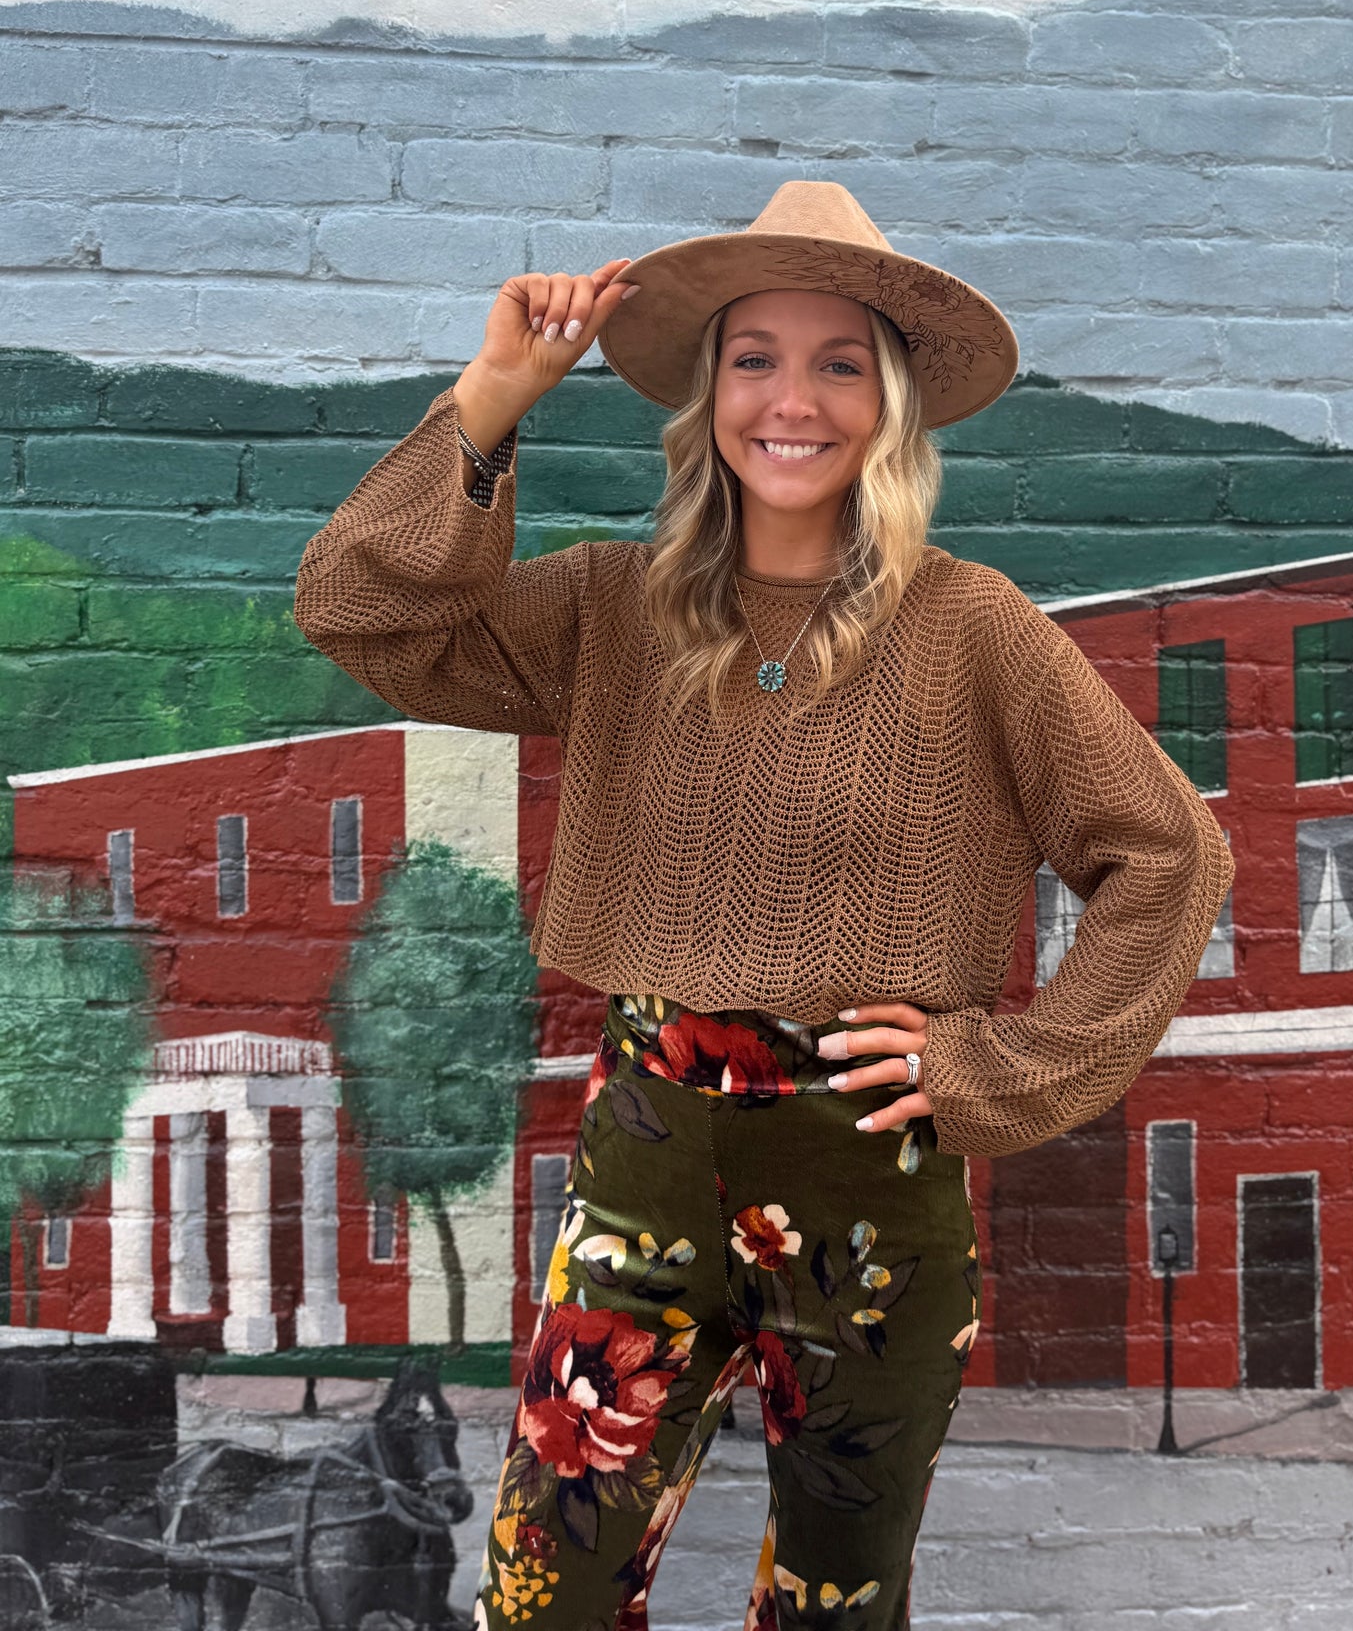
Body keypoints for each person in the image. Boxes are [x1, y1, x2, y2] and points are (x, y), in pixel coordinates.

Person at [293, 180, 1233, 1631]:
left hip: (873, 1184)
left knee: (833, 1611)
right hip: (646, 1159)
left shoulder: (975, 630)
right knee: (543, 1600)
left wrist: (997, 1070)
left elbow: (1168, 856)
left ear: (890, 405)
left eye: (839, 363)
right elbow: (364, 613)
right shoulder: (609, 609)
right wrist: (492, 401)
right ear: (710, 397)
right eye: (755, 359)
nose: (793, 400)